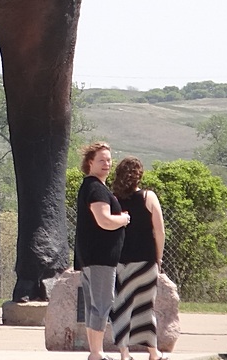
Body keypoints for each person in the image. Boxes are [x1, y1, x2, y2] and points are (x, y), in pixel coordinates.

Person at [75, 141, 131, 360]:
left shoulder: (90, 186)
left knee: (93, 305)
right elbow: (104, 220)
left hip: (91, 256)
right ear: (90, 163)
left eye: (108, 160)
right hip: (100, 257)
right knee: (102, 303)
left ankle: (95, 351)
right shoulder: (96, 189)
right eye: (101, 160)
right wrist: (123, 219)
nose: (106, 164)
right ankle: (97, 352)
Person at [111, 156, 169, 360]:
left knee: (121, 307)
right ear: (139, 176)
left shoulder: (113, 199)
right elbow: (159, 231)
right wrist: (159, 258)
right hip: (145, 261)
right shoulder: (148, 197)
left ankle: (124, 353)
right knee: (145, 307)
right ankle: (153, 352)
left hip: (120, 261)